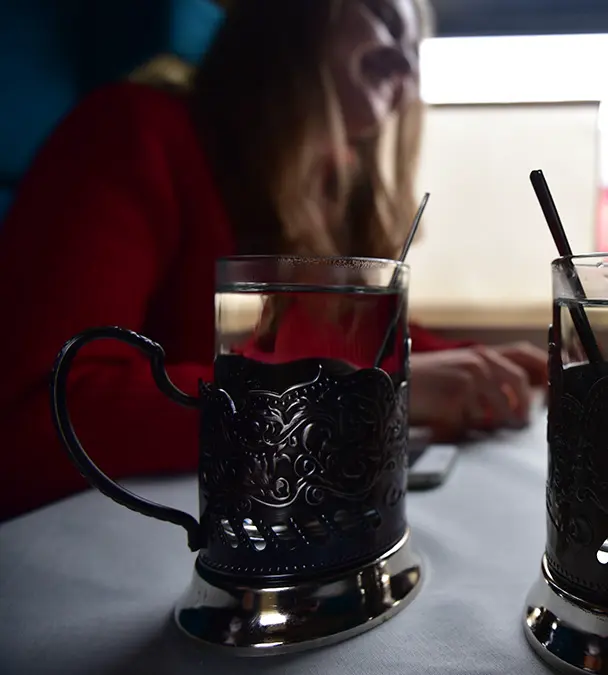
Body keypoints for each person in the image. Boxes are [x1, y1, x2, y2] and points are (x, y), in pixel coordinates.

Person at [0, 0, 547, 521]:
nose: (405, 63)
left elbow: (343, 344)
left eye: (414, 46)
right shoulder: (131, 132)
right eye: (383, 16)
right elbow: (44, 414)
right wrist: (358, 392)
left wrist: (483, 362)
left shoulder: (320, 196)